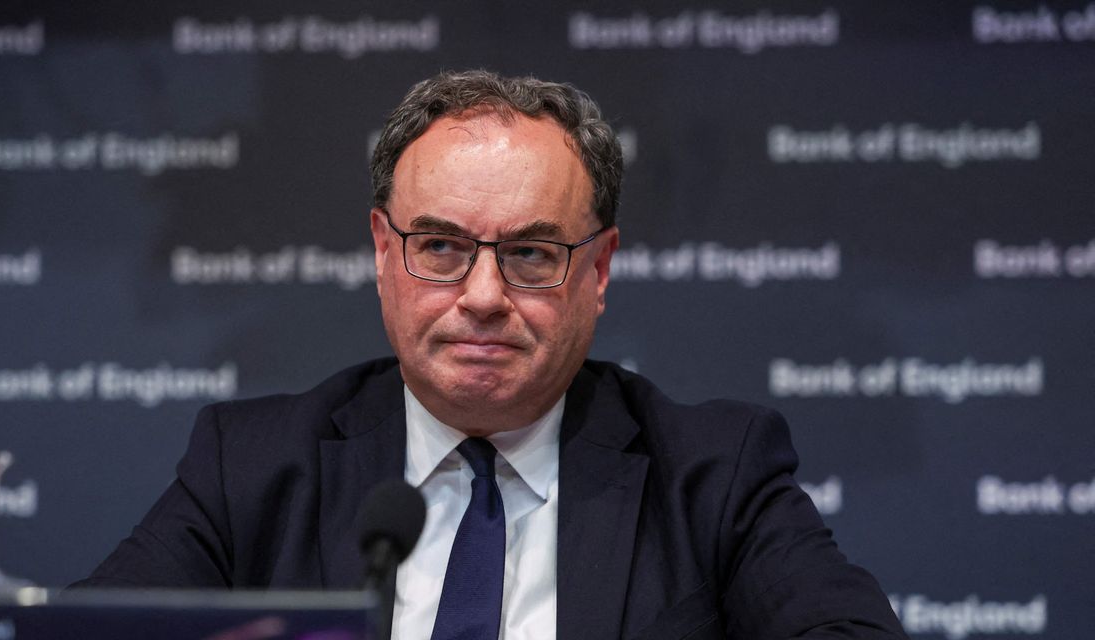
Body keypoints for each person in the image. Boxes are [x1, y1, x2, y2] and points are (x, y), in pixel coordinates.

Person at [76, 70, 907, 639]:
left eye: (532, 254)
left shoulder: (712, 476)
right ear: (383, 254)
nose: (482, 296)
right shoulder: (253, 468)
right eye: (440, 247)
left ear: (598, 271)